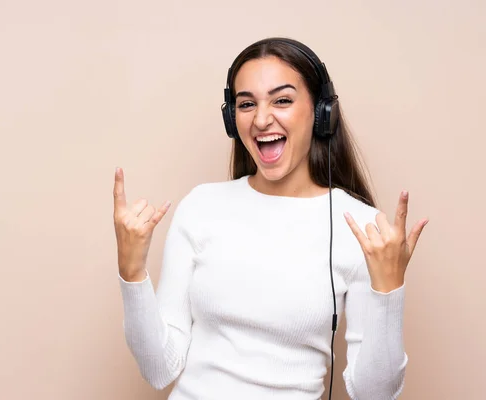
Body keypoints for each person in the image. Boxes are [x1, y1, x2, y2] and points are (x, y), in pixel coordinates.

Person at [112, 37, 428, 400]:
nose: (262, 119)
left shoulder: (361, 227)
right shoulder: (201, 206)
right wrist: (131, 271)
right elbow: (159, 369)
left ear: (322, 113)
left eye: (282, 100)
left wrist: (389, 291)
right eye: (247, 104)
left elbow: (374, 395)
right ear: (233, 118)